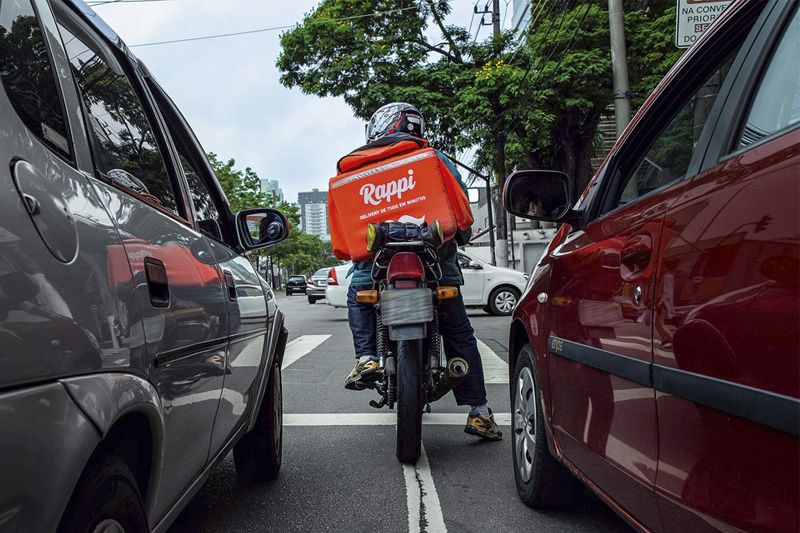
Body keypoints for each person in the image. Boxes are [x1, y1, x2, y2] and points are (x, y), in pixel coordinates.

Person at [341, 102, 502, 441]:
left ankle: (367, 356)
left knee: (357, 294)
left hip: (375, 269)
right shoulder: (434, 159)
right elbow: (461, 214)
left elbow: (348, 223)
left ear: (380, 127)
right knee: (459, 334)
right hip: (437, 266)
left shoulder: (362, 166)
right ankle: (480, 412)